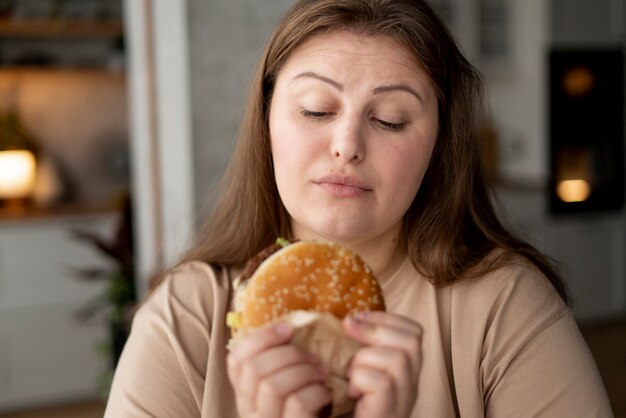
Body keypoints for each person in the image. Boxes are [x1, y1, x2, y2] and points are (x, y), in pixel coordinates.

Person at [105, 0, 613, 417]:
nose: (347, 145)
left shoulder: (505, 307)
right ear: (266, 122)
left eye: (391, 119)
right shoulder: (186, 318)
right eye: (316, 110)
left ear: (439, 142)